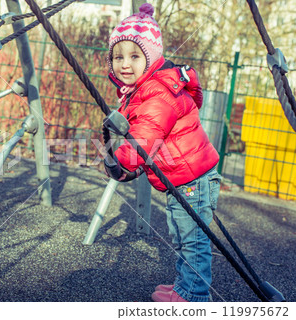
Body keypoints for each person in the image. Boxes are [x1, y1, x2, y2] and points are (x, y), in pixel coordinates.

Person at [104, 3, 222, 302]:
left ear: (152, 58)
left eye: (134, 56)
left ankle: (195, 296)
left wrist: (121, 161)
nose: (125, 64)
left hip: (192, 178)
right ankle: (185, 286)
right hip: (184, 176)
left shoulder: (156, 92)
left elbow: (145, 138)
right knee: (182, 235)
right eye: (118, 57)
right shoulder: (145, 89)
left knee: (192, 239)